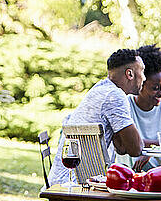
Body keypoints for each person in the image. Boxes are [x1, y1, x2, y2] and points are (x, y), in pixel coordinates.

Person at [48, 49, 145, 186]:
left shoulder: (100, 89)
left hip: (62, 180)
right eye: (142, 71)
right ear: (130, 74)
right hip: (79, 184)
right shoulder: (115, 96)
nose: (144, 78)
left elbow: (122, 148)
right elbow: (135, 149)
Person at [116, 44, 161, 171]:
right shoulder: (124, 104)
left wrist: (152, 151)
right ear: (141, 83)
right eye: (155, 88)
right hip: (129, 177)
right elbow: (126, 143)